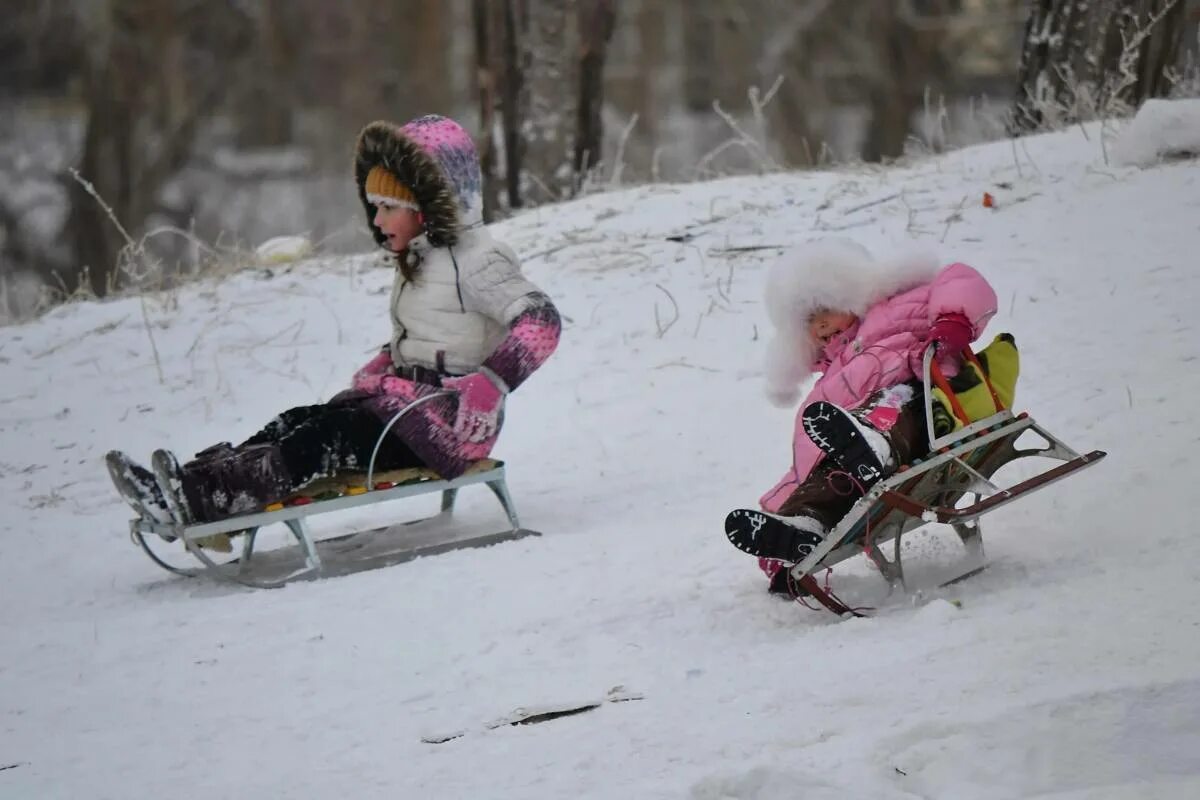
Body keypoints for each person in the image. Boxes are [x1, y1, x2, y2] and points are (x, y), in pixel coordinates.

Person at [106, 115, 561, 526]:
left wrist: (490, 383)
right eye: (374, 207)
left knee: (326, 438)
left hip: (448, 427)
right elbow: (436, 332)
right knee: (299, 420)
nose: (378, 220)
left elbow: (542, 321)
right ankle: (189, 486)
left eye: (388, 207)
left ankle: (205, 501)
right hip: (405, 406)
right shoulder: (423, 259)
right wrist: (388, 362)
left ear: (426, 206)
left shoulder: (479, 261)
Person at [724, 238, 998, 593]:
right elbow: (804, 467)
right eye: (809, 319)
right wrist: (781, 517)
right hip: (855, 458)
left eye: (828, 307)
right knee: (825, 476)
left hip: (920, 411)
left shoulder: (895, 309)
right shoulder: (826, 388)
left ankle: (873, 443)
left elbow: (959, 279)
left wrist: (953, 318)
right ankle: (799, 533)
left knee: (888, 405)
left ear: (854, 293)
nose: (821, 323)